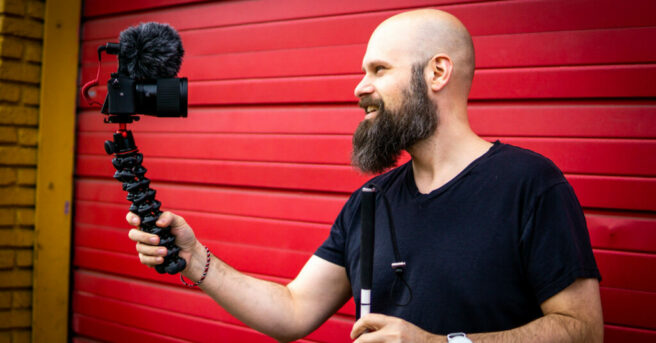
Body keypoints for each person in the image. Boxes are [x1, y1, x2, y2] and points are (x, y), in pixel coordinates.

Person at [128, 9, 603, 343]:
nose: (360, 87)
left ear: (437, 72)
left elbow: (582, 330)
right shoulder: (370, 200)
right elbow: (293, 310)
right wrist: (196, 261)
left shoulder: (530, 184)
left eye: (379, 69)